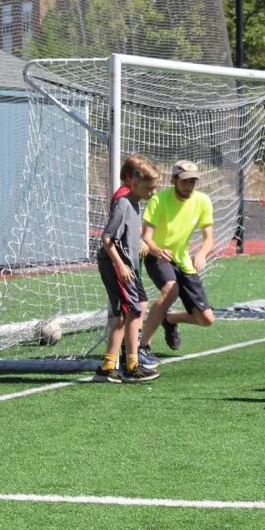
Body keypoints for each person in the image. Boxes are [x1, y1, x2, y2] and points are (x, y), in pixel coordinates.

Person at [139, 160, 217, 361]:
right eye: (184, 181)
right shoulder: (158, 200)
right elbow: (146, 236)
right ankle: (143, 347)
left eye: (192, 181)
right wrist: (157, 250)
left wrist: (200, 255)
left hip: (182, 259)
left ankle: (170, 318)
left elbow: (209, 238)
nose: (188, 185)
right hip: (156, 255)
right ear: (173, 179)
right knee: (171, 289)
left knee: (206, 319)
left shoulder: (203, 201)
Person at [94, 155, 162, 383]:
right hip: (116, 266)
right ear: (133, 183)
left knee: (132, 312)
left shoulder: (134, 203)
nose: (152, 193)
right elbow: (107, 238)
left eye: (155, 188)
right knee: (122, 316)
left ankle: (129, 363)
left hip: (128, 266)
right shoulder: (123, 203)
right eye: (149, 188)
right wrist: (121, 265)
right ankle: (112, 367)